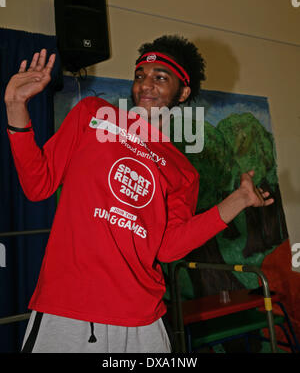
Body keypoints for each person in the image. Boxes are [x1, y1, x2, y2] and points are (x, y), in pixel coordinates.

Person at [5, 35, 274, 353]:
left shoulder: (183, 171)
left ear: (183, 92)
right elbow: (38, 184)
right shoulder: (92, 113)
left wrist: (238, 200)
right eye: (140, 76)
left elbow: (169, 249)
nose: (146, 85)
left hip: (142, 320)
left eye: (160, 77)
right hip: (68, 310)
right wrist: (16, 106)